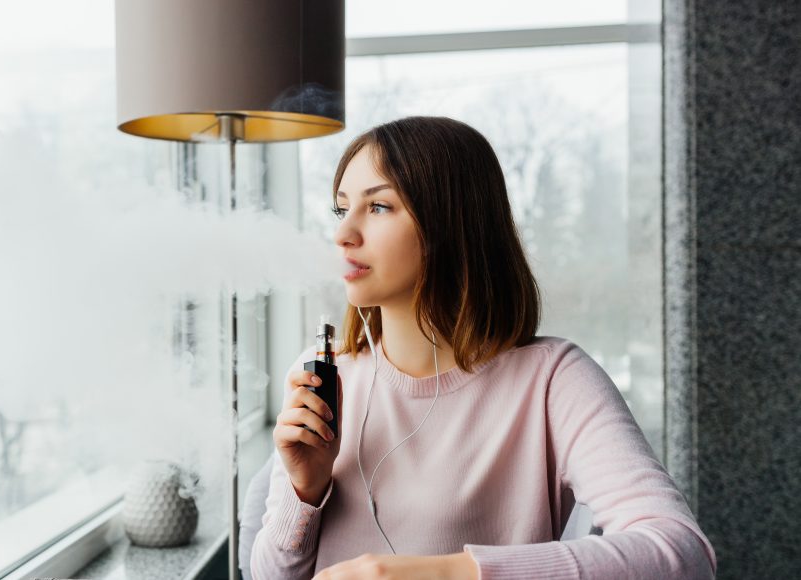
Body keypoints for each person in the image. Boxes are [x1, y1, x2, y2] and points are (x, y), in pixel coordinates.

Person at [249, 116, 717, 579]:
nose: (342, 234)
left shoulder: (553, 380)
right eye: (341, 208)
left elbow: (681, 554)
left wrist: (444, 575)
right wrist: (305, 489)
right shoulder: (325, 378)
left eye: (378, 207)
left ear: (452, 223)